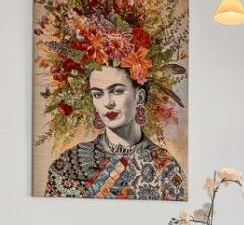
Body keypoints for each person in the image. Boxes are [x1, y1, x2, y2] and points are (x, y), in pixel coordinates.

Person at [45, 64, 185, 200]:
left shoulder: (165, 166)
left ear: (140, 97)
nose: (107, 103)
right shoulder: (70, 162)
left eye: (117, 91)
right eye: (98, 94)